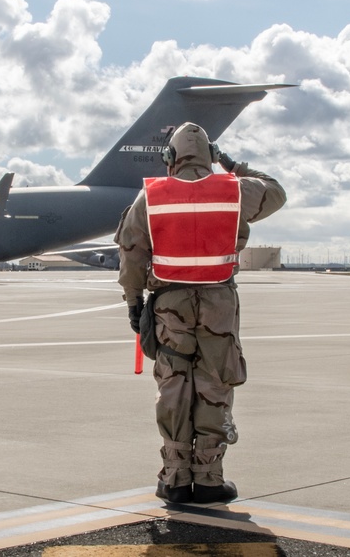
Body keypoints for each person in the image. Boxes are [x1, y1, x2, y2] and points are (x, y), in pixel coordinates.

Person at [115, 122, 286, 505]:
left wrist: (133, 302)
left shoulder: (151, 197)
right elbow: (276, 191)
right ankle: (209, 476)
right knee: (215, 381)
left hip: (170, 305)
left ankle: (175, 476)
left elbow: (131, 254)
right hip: (219, 304)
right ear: (210, 155)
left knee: (174, 382)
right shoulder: (236, 190)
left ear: (170, 157)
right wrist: (230, 164)